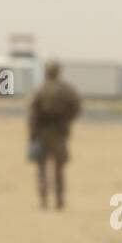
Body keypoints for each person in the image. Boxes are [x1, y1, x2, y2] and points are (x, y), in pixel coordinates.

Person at [27, 60, 81, 210]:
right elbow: (76, 107)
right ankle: (59, 200)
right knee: (59, 168)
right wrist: (66, 121)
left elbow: (33, 112)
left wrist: (32, 134)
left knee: (41, 168)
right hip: (59, 132)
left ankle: (44, 200)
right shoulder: (67, 90)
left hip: (42, 132)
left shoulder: (40, 89)